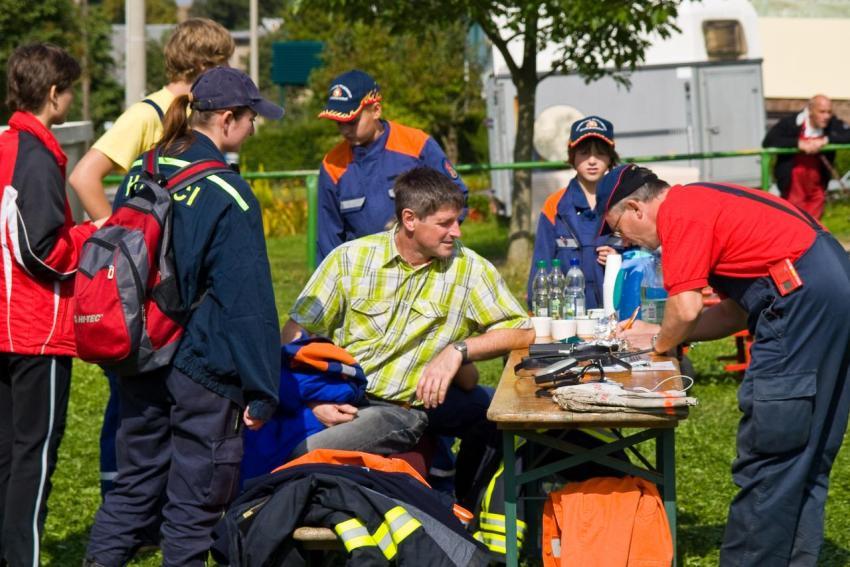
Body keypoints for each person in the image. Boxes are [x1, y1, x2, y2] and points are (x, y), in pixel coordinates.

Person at [602, 164, 850, 566]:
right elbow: (733, 314)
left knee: (773, 452)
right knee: (806, 453)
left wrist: (661, 347)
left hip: (800, 301)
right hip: (830, 288)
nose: (625, 240)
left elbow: (685, 309)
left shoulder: (679, 214)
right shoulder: (704, 200)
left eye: (618, 229)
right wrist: (658, 335)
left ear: (636, 208)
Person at [84, 67, 283, 567]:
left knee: (130, 495)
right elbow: (249, 305)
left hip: (141, 354)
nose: (253, 128)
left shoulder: (141, 170)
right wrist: (262, 389)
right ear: (228, 120)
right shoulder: (229, 195)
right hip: (203, 369)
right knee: (193, 513)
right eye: (251, 118)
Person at [281, 167, 533, 507]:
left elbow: (523, 330)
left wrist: (458, 351)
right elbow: (296, 334)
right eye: (445, 223)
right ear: (410, 219)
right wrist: (311, 399)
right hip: (356, 399)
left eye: (458, 221)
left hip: (422, 402)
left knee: (492, 413)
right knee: (299, 454)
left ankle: (467, 506)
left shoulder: (469, 268)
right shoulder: (350, 259)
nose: (456, 232)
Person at [68, 17, 235, 497]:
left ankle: (157, 493)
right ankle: (120, 496)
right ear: (203, 65)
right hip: (146, 280)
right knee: (130, 395)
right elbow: (85, 176)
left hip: (177, 285)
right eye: (221, 66)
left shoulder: (198, 113)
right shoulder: (149, 114)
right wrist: (123, 246)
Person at [0, 43, 100, 567]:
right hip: (33, 328)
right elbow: (39, 248)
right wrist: (88, 239)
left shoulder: (3, 144)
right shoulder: (34, 154)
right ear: (55, 94)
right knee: (33, 455)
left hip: (4, 323)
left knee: (6, 453)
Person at [316, 69, 468, 262]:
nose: (345, 130)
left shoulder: (416, 145)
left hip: (425, 263)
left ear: (376, 110)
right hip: (364, 272)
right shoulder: (332, 165)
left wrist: (431, 242)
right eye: (338, 123)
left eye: (352, 121)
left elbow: (458, 198)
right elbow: (327, 237)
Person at [527, 115, 620, 310]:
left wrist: (618, 257)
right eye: (584, 153)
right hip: (568, 311)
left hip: (615, 309)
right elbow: (540, 262)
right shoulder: (555, 205)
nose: (592, 161)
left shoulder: (623, 201)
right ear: (572, 155)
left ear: (611, 156)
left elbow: (642, 256)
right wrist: (534, 308)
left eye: (600, 153)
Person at [762, 94, 850, 220]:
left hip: (817, 184)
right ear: (810, 110)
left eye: (829, 112)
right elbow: (769, 141)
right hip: (793, 185)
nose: (826, 116)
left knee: (814, 224)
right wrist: (798, 144)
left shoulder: (832, 124)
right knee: (795, 221)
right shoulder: (791, 123)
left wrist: (827, 140)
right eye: (822, 112)